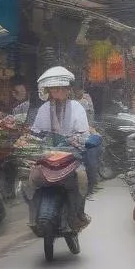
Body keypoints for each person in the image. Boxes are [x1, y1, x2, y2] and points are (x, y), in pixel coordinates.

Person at [27, 66, 90, 225]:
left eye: (60, 89)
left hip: (70, 153)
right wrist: (31, 138)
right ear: (49, 91)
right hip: (48, 152)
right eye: (53, 89)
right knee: (31, 177)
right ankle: (34, 215)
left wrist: (74, 139)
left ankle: (79, 212)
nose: (57, 92)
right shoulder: (44, 108)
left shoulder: (77, 107)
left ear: (67, 89)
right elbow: (36, 130)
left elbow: (83, 132)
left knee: (82, 177)